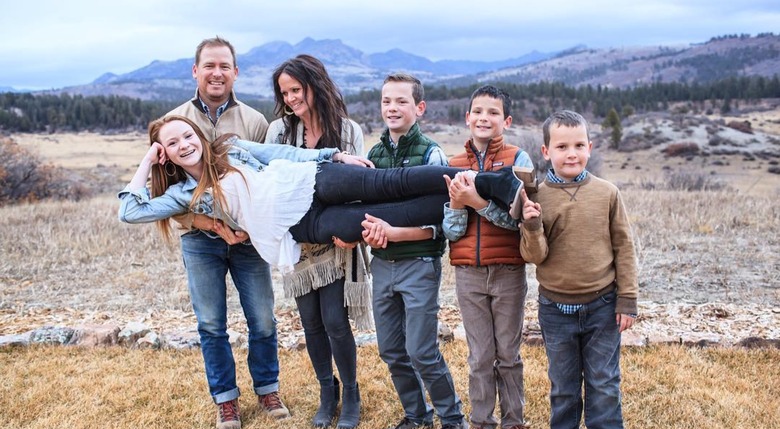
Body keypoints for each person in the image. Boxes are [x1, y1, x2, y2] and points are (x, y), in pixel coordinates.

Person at [119, 115, 525, 272]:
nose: (184, 144)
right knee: (384, 217)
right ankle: (469, 206)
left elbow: (281, 152)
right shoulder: (185, 195)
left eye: (187, 135)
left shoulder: (230, 148)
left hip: (309, 180)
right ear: (167, 154)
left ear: (198, 135)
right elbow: (130, 212)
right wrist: (146, 162)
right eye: (172, 144)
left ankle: (491, 182)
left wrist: (334, 155)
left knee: (390, 183)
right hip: (303, 224)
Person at [164, 36, 286, 429]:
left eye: (225, 67)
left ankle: (268, 389)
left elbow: (268, 181)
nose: (217, 73)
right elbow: (164, 196)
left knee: (263, 319)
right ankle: (226, 401)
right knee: (212, 324)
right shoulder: (174, 122)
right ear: (195, 71)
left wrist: (247, 227)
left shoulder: (254, 121)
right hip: (200, 242)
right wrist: (212, 225)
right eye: (209, 66)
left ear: (235, 73)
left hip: (248, 240)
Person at [519, 110, 639, 429]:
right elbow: (534, 256)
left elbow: (624, 247)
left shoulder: (607, 193)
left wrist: (627, 299)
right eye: (561, 147)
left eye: (578, 145)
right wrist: (530, 224)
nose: (571, 153)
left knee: (604, 381)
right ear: (546, 152)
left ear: (590, 147)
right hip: (555, 309)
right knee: (564, 386)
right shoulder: (536, 197)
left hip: (602, 305)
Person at [361, 73, 468, 429]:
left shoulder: (430, 154)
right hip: (382, 265)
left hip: (419, 263)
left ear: (419, 108)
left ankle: (453, 420)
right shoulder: (373, 156)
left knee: (421, 350)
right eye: (387, 101)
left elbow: (439, 223)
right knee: (391, 350)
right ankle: (416, 415)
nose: (392, 107)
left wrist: (395, 233)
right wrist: (368, 234)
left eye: (401, 101)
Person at [265, 54, 366, 429]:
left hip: (337, 239)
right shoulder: (279, 133)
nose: (291, 98)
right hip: (297, 242)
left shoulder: (348, 130)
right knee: (310, 322)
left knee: (336, 321)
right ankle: (328, 391)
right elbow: (269, 183)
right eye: (285, 92)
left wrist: (353, 233)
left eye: (296, 89)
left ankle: (352, 392)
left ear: (315, 84)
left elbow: (358, 184)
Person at [442, 85, 533, 429]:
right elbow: (451, 231)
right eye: (477, 111)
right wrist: (457, 203)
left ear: (506, 121)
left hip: (508, 269)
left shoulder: (517, 160)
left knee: (508, 352)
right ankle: (481, 423)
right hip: (468, 273)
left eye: (493, 112)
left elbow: (517, 220)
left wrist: (477, 201)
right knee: (480, 355)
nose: (484, 118)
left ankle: (514, 422)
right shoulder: (451, 165)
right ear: (467, 118)